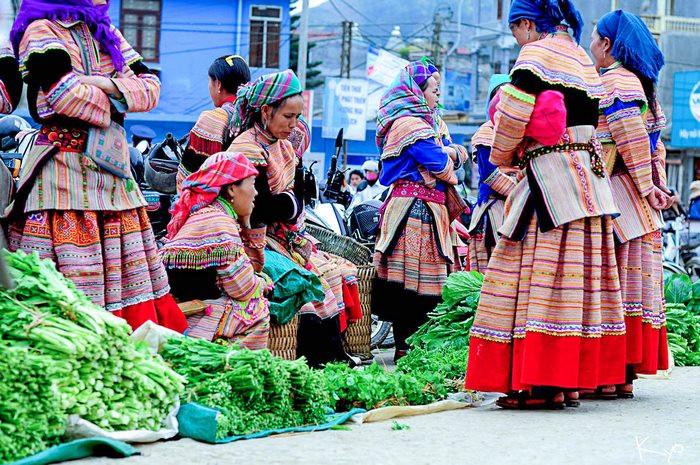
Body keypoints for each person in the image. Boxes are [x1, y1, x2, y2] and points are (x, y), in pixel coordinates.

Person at [465, 0, 627, 409]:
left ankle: (539, 384)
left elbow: (514, 115)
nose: (515, 38)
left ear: (525, 24)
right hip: (588, 180)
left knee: (535, 274)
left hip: (549, 178)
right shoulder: (581, 59)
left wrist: (504, 154)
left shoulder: (534, 55)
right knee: (576, 281)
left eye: (515, 30)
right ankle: (567, 383)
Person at [6, 0, 187, 332]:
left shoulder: (107, 33)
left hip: (115, 179)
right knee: (67, 301)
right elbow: (63, 95)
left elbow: (152, 89)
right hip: (63, 177)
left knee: (132, 291)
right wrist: (119, 98)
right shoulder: (41, 29)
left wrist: (103, 85)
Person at [228, 69, 360, 366]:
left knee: (329, 278)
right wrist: (289, 205)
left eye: (298, 116)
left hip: (280, 237)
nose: (294, 124)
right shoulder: (247, 148)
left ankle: (331, 361)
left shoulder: (284, 147)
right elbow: (261, 209)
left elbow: (293, 200)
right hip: (250, 241)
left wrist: (289, 205)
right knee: (308, 282)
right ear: (266, 111)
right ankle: (317, 364)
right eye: (288, 116)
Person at [589, 9, 670, 398]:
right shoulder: (643, 86)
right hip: (641, 203)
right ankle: (621, 376)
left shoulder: (615, 84)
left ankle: (607, 375)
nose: (590, 46)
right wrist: (657, 186)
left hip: (617, 196)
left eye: (593, 38)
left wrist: (645, 185)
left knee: (611, 287)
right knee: (631, 288)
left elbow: (631, 142)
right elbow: (657, 148)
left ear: (607, 44)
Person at [372, 60, 469, 361]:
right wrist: (451, 154)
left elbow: (447, 161)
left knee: (431, 284)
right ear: (416, 91)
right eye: (434, 89)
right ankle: (406, 346)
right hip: (413, 212)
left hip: (433, 211)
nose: (438, 95)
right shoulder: (407, 125)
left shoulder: (433, 123)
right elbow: (442, 165)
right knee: (409, 284)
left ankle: (419, 346)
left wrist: (448, 155)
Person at [161, 152, 272, 348]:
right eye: (252, 184)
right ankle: (234, 364)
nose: (255, 193)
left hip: (188, 301)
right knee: (256, 307)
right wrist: (262, 283)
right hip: (197, 310)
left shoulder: (208, 214)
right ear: (231, 189)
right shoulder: (220, 222)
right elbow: (242, 288)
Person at [177, 55, 251, 192]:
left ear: (218, 84)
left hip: (219, 205)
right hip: (250, 199)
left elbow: (188, 176)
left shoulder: (213, 119)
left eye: (210, 81)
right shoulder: (255, 114)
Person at [468, 75, 517, 273]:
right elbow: (490, 175)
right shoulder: (486, 133)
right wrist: (522, 192)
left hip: (517, 203)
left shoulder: (519, 132)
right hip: (494, 205)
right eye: (500, 95)